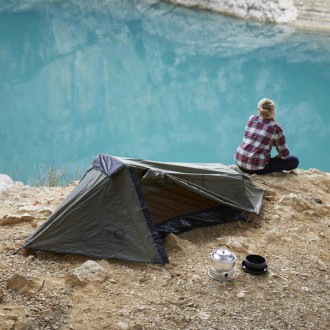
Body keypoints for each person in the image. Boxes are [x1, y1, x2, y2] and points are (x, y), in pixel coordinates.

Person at [235, 98, 299, 175]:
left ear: (259, 109)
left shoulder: (252, 118)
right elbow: (284, 155)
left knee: (265, 153)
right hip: (256, 168)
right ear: (273, 111)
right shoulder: (276, 127)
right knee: (294, 160)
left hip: (240, 161)